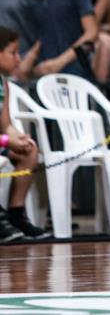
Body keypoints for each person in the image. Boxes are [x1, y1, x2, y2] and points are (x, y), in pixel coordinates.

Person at [0, 27, 51, 241]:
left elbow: (5, 123)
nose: (18, 58)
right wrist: (5, 140)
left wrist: (16, 136)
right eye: (13, 52)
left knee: (29, 151)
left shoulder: (4, 84)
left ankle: (16, 213)